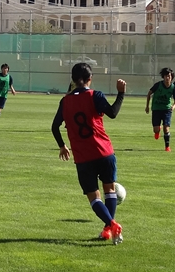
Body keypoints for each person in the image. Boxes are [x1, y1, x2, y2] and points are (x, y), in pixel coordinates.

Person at [52, 63, 126, 244]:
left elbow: (54, 127)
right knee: (109, 190)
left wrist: (62, 146)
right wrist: (121, 93)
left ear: (73, 80)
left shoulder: (65, 101)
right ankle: (109, 227)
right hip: (104, 152)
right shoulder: (96, 95)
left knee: (94, 197)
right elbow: (113, 113)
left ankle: (110, 225)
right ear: (90, 79)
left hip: (83, 157)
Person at [145, 67, 175, 152]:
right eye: (166, 76)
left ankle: (167, 147)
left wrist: (173, 107)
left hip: (167, 109)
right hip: (156, 109)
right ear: (163, 77)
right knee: (155, 129)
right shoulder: (158, 85)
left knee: (166, 128)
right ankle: (157, 131)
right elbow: (149, 93)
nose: (167, 78)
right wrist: (147, 106)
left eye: (169, 76)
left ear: (171, 77)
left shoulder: (173, 87)